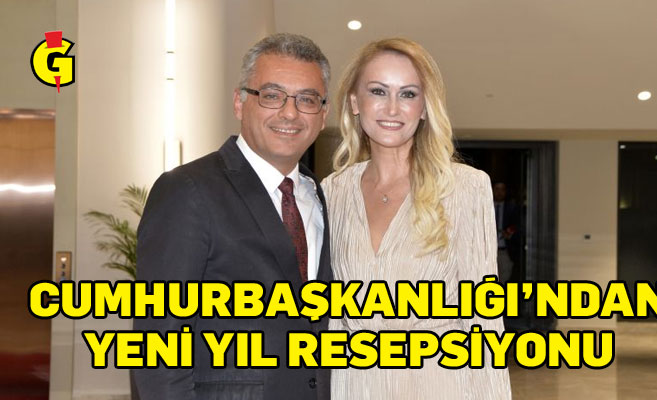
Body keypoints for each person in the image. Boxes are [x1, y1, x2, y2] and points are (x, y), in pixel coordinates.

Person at [134, 33, 333, 400]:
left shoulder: (318, 196)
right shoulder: (188, 190)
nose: (290, 113)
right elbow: (158, 344)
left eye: (307, 99)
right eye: (271, 95)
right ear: (240, 102)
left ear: (323, 115)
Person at [322, 38, 511, 399]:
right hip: (354, 384)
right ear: (354, 102)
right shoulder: (333, 191)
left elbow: (484, 320)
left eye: (408, 94)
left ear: (424, 108)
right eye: (378, 91)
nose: (392, 108)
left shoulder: (464, 187)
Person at [493, 182, 521, 283]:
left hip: (505, 250)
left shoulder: (512, 208)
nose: (499, 192)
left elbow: (518, 226)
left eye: (502, 190)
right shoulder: (486, 206)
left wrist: (510, 234)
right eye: (497, 189)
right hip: (488, 251)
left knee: (504, 279)